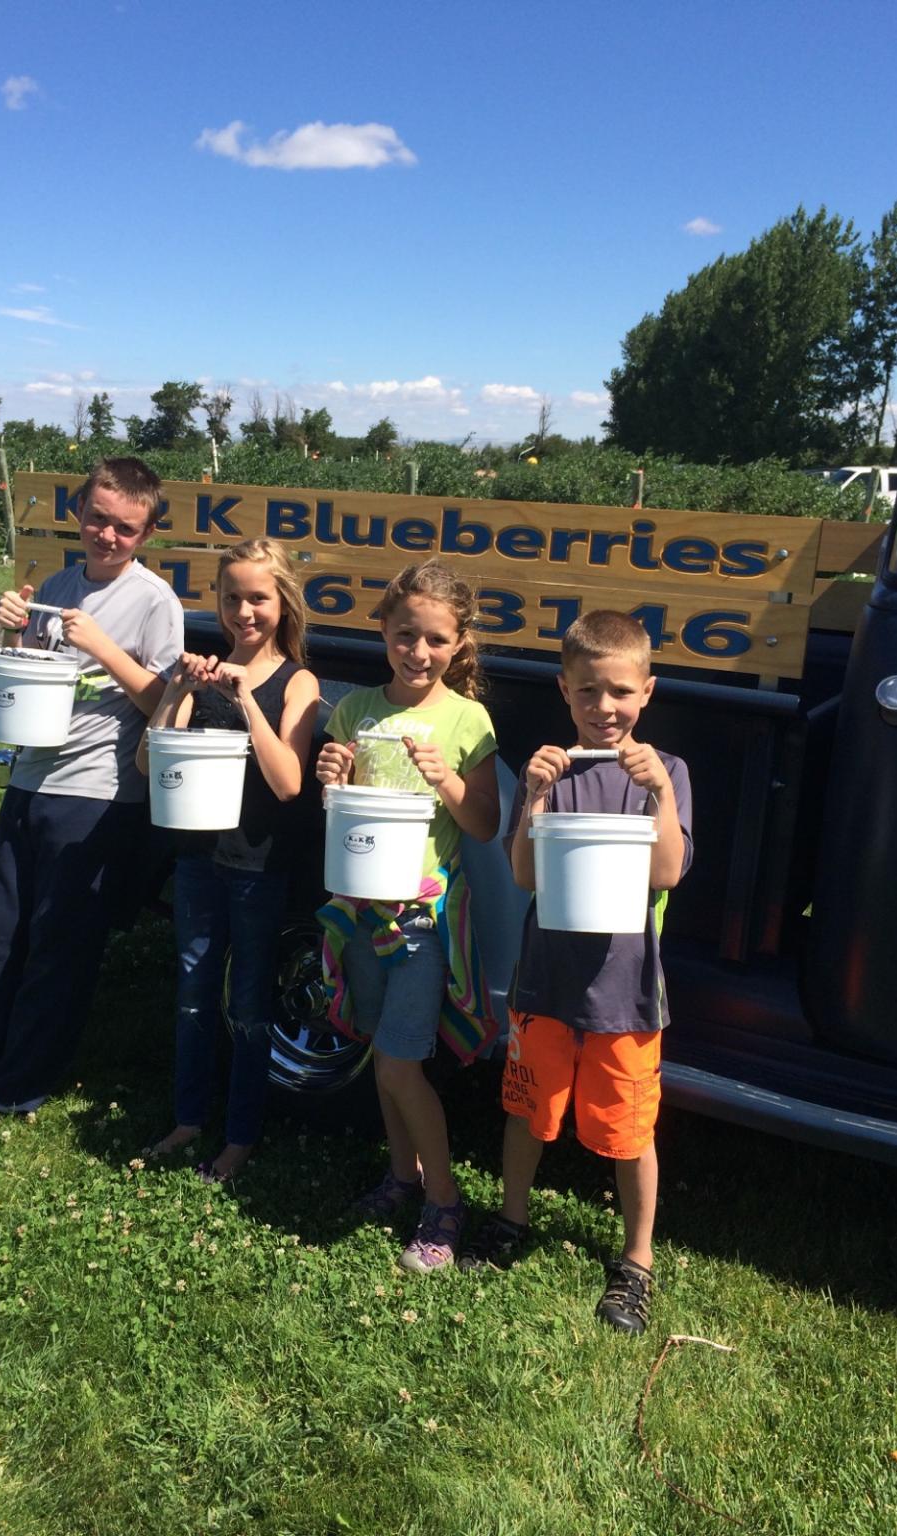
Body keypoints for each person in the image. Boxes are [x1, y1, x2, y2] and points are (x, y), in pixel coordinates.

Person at [0, 456, 186, 1135]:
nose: (107, 535)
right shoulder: (58, 583)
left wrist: (107, 649)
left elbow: (169, 705)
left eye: (125, 527)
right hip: (30, 781)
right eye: (97, 519)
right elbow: (26, 673)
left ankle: (14, 1085)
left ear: (145, 534)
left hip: (97, 797)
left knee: (60, 947)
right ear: (79, 512)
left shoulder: (154, 602)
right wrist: (9, 626)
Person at [458, 609, 693, 1335]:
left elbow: (669, 872)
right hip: (545, 984)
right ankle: (511, 1218)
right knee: (529, 1105)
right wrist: (531, 795)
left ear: (647, 692)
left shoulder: (667, 773)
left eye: (620, 692)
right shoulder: (554, 770)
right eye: (588, 692)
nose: (604, 708)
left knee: (630, 1127)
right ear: (565, 690)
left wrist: (657, 794)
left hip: (625, 992)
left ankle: (637, 1261)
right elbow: (525, 874)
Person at [316, 560, 499, 1273]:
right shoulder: (356, 710)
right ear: (384, 631)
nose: (418, 652)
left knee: (398, 1066)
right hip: (360, 914)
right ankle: (401, 1176)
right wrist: (332, 779)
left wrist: (446, 777)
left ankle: (446, 1205)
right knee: (379, 1058)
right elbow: (345, 817)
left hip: (422, 922)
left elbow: (482, 825)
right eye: (404, 635)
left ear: (458, 644)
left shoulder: (465, 718)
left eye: (434, 640)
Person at [138, 539, 319, 1183]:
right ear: (216, 602)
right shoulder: (202, 672)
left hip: (257, 867)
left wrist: (245, 698)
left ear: (284, 603)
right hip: (197, 861)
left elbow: (289, 781)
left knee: (247, 1004)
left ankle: (240, 1134)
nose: (245, 611)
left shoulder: (296, 681)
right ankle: (189, 1118)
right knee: (192, 994)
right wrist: (175, 692)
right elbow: (148, 763)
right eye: (232, 597)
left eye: (258, 598)